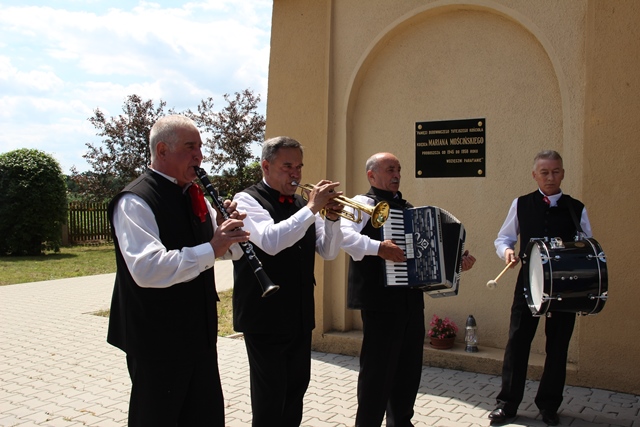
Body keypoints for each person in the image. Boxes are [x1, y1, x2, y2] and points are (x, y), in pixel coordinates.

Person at [106, 114, 250, 426]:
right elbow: (147, 269)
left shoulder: (193, 194)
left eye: (200, 147)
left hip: (198, 335)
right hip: (157, 341)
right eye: (190, 147)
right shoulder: (135, 200)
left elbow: (226, 251)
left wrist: (229, 231)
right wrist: (212, 247)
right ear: (162, 150)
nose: (200, 155)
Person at [340, 152, 476, 426]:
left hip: (411, 301)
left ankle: (401, 422)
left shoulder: (409, 210)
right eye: (390, 169)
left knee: (408, 370)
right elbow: (344, 237)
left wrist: (456, 263)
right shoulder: (360, 204)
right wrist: (379, 248)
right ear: (371, 175)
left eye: (399, 169)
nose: (397, 175)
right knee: (377, 373)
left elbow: (428, 257)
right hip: (379, 301)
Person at [231, 136, 344, 426]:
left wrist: (332, 220)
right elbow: (271, 241)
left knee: (295, 392)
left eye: (299, 167)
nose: (296, 174)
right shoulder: (247, 199)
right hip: (264, 316)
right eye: (288, 166)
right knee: (270, 398)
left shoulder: (302, 204)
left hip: (299, 314)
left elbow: (329, 252)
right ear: (266, 166)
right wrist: (312, 208)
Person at [489, 150, 593, 426]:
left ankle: (549, 405)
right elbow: (503, 238)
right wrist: (507, 252)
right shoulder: (521, 204)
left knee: (558, 346)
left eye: (555, 171)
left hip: (564, 286)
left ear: (563, 173)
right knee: (517, 342)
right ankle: (507, 404)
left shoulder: (576, 208)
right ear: (534, 175)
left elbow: (588, 246)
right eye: (544, 172)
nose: (550, 177)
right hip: (529, 283)